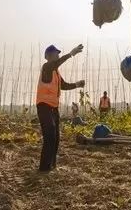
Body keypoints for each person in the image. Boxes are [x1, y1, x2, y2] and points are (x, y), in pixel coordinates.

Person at [36, 43, 85, 172]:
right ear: (47, 56)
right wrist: (71, 54)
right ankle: (44, 169)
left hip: (54, 108)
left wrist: (77, 84)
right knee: (50, 135)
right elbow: (55, 64)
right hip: (44, 106)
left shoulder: (56, 72)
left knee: (56, 137)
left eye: (58, 53)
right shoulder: (46, 67)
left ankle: (52, 165)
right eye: (55, 53)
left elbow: (64, 85)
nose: (57, 55)